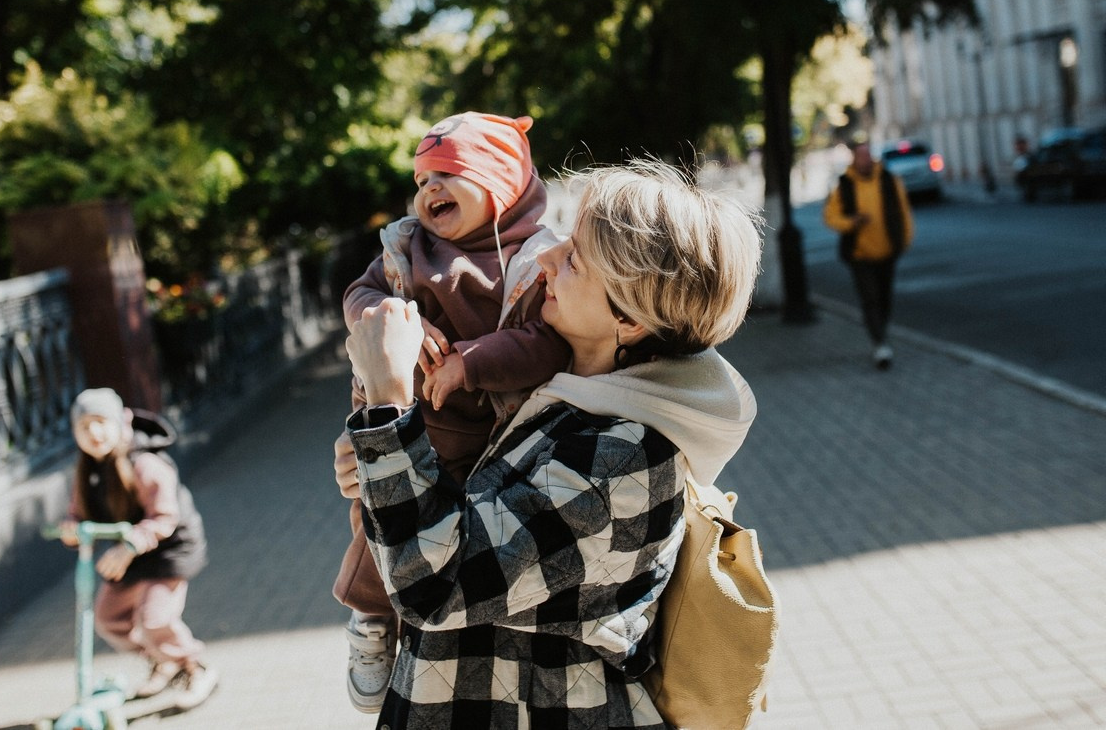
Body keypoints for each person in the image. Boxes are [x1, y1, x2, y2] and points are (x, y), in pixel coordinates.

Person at [335, 159, 762, 728]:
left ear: (630, 319)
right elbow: (448, 515)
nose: (544, 257)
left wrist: (390, 400)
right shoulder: (561, 399)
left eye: (573, 260)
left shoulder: (625, 459)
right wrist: (377, 459)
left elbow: (434, 583)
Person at [333, 111, 571, 712]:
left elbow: (544, 343)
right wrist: (384, 318)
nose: (429, 190)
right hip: (411, 409)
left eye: (448, 174)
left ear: (501, 184)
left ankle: (432, 631)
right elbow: (359, 293)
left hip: (486, 431)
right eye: (421, 178)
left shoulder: (533, 258)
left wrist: (472, 360)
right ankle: (370, 619)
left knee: (446, 535)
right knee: (376, 514)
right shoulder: (408, 246)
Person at [59, 388, 218, 710]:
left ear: (121, 422)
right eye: (84, 427)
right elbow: (78, 511)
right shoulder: (87, 470)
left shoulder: (145, 463)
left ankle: (195, 668)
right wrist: (72, 528)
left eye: (101, 422)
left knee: (155, 619)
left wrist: (129, 546)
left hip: (169, 547)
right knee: (108, 617)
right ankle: (164, 660)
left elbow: (165, 516)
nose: (94, 433)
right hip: (130, 548)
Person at [822, 137, 915, 369]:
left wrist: (905, 240)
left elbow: (903, 211)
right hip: (860, 255)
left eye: (867, 154)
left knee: (884, 298)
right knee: (870, 298)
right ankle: (880, 343)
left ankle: (881, 333)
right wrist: (851, 222)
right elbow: (830, 216)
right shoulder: (845, 184)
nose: (865, 159)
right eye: (860, 155)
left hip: (887, 251)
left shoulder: (888, 180)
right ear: (854, 158)